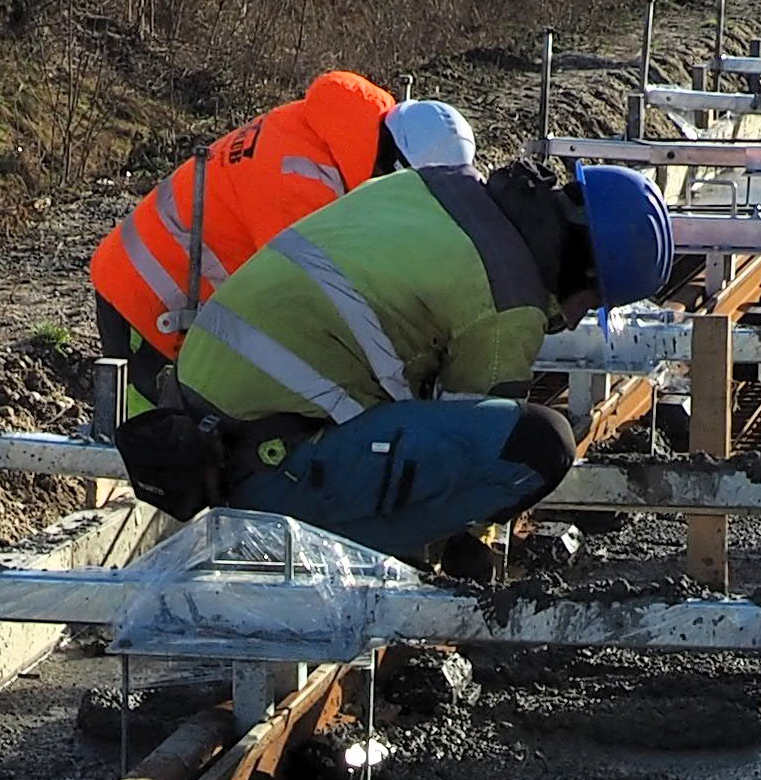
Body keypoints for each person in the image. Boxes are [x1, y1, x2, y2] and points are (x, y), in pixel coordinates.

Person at [116, 159, 673, 559]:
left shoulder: (438, 188)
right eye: (590, 304)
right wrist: (465, 544)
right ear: (590, 272)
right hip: (258, 465)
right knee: (539, 444)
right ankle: (376, 564)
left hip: (197, 419)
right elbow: (470, 444)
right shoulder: (508, 301)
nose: (574, 320)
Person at [88, 75, 478, 392]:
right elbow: (301, 304)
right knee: (154, 447)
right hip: (149, 299)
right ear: (396, 168)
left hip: (161, 282)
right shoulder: (303, 185)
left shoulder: (335, 134)